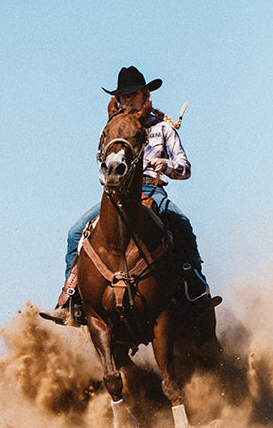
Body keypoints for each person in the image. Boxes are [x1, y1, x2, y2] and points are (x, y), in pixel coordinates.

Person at [43, 66, 221, 326]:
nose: (127, 100)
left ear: (145, 96)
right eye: (123, 96)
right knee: (75, 231)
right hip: (115, 195)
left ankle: (194, 285)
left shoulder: (163, 128)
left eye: (133, 94)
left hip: (152, 190)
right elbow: (102, 167)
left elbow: (185, 168)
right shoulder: (111, 128)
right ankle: (71, 299)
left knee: (182, 224)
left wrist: (166, 165)